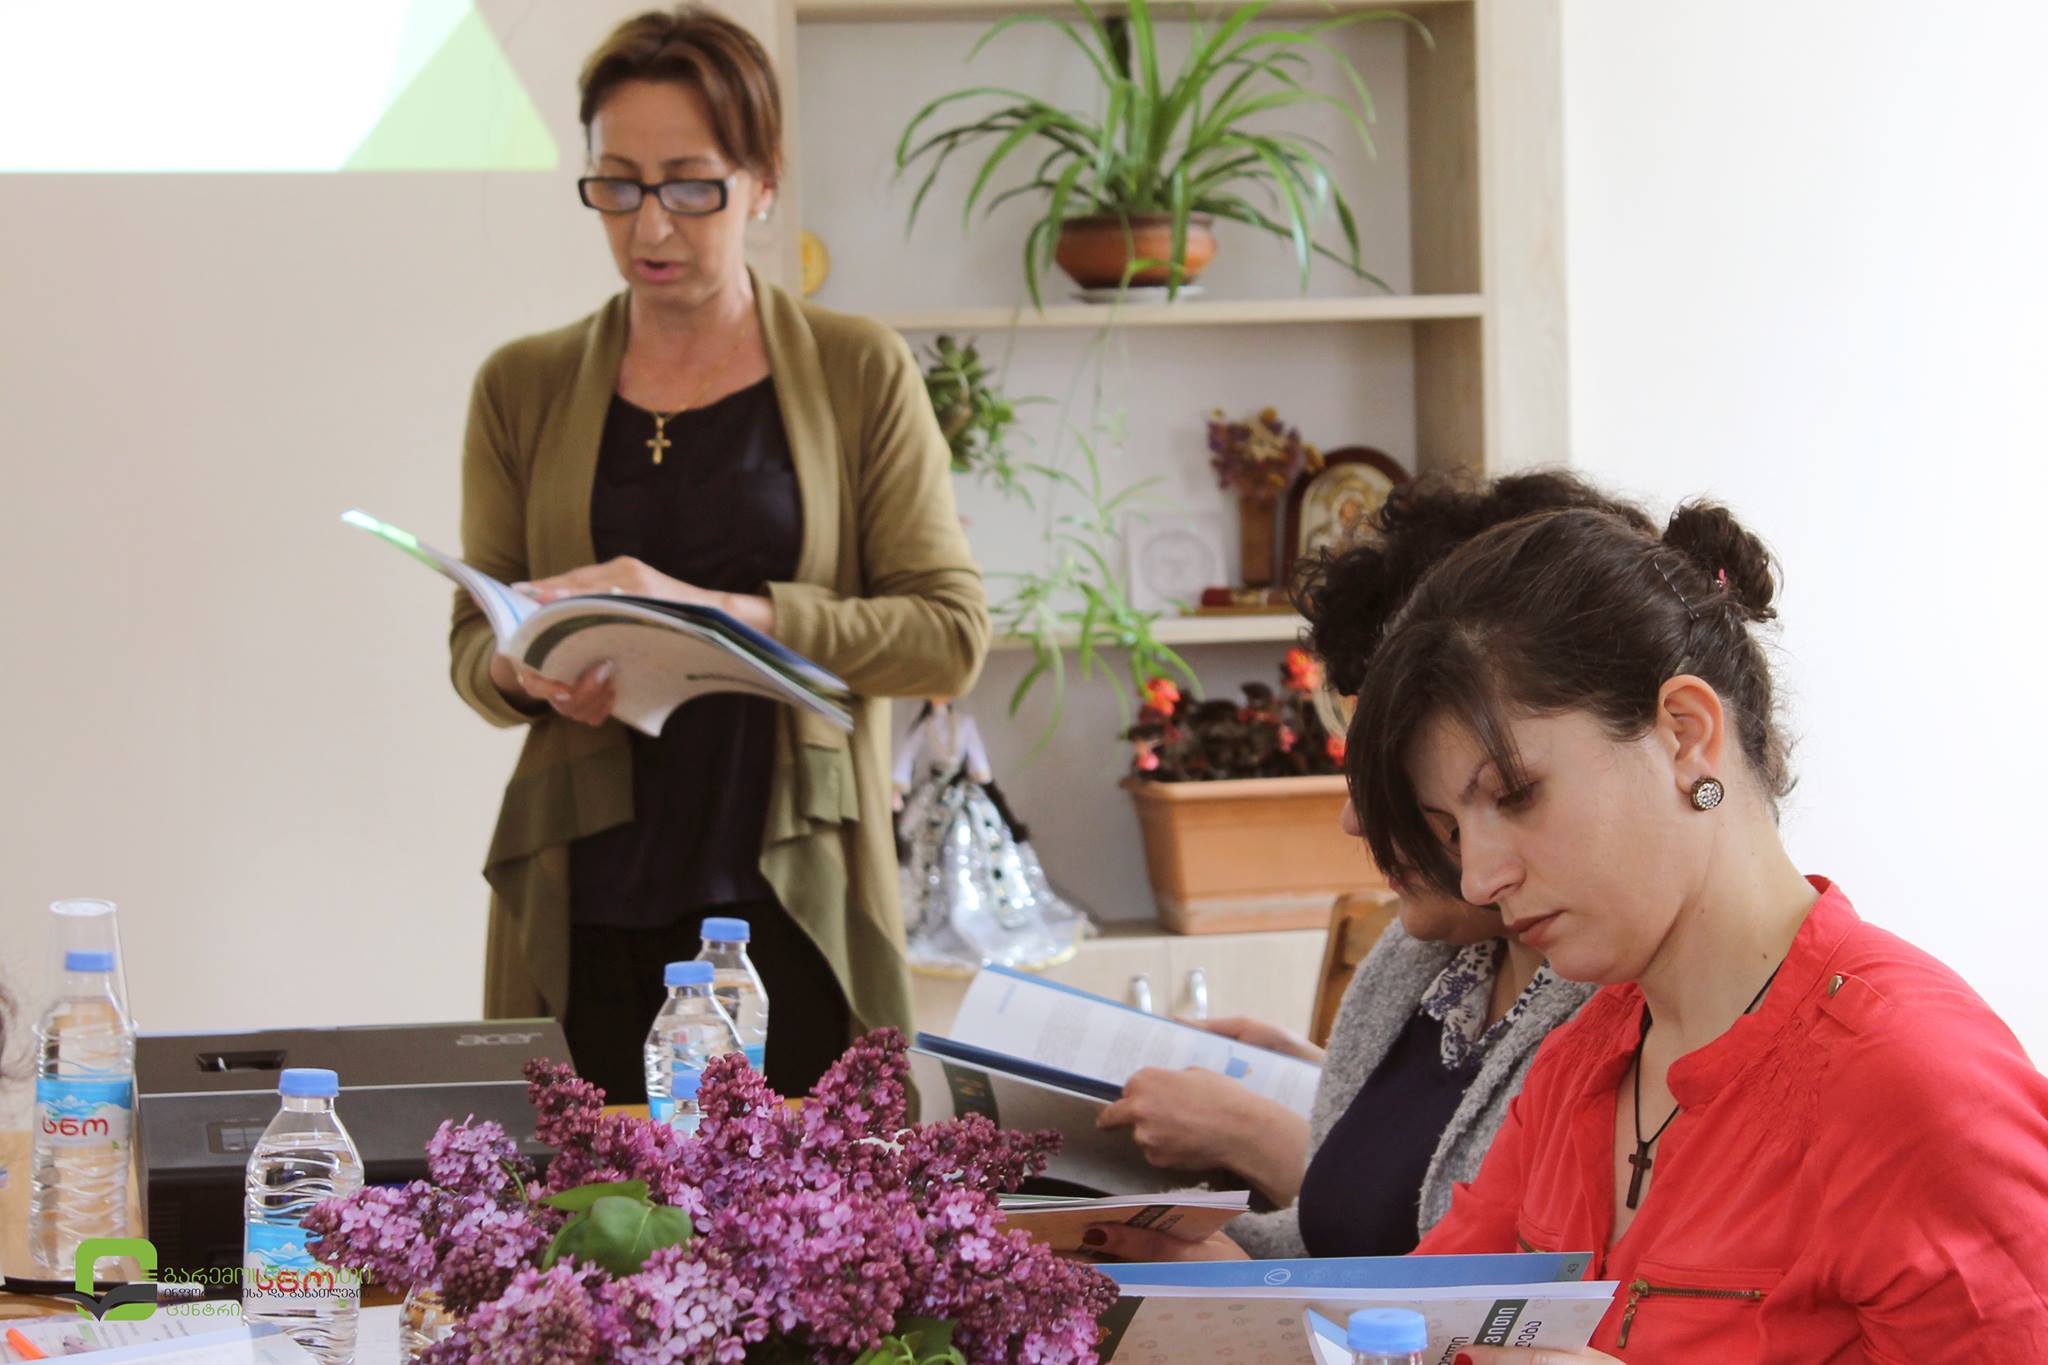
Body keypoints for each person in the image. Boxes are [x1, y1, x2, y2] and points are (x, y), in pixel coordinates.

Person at [1351, 498, 2048, 1359]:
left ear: (1685, 735)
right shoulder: (1578, 1063)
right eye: (1454, 832)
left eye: (1517, 794)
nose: (1478, 878)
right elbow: (1414, 1322)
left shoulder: (1913, 1082)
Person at [448, 7, 988, 1101]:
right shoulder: (521, 384)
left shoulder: (856, 370)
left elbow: (947, 635)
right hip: (586, 895)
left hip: (789, 895)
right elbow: (474, 642)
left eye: (690, 186)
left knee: (809, 1199)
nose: (650, 225)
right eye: (618, 184)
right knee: (579, 1198)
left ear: (762, 180)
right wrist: (522, 665)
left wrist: (721, 615)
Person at [1091, 474, 1651, 1260]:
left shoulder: (1619, 1005)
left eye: (1401, 779)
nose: (1358, 819)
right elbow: (1338, 1236)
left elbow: (1472, 1298)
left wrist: (1242, 1280)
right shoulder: (1420, 964)